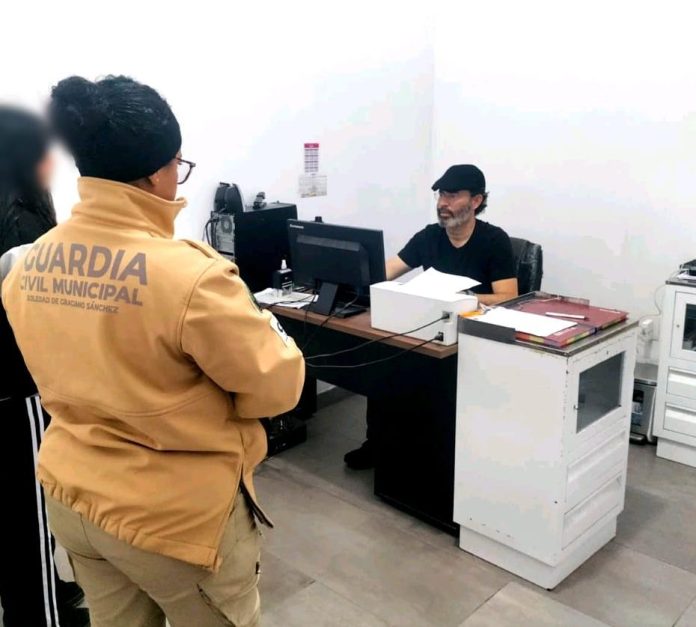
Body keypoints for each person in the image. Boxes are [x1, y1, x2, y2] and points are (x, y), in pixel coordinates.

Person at [2, 76, 305, 627]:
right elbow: (278, 389)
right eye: (179, 165)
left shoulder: (28, 261)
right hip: (173, 521)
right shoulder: (192, 276)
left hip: (74, 500)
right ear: (156, 173)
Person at [344, 164, 518, 470]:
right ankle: (378, 443)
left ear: (476, 201)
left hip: (468, 339)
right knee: (383, 364)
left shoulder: (494, 241)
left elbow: (509, 297)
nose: (442, 203)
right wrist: (351, 274)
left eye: (452, 196)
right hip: (429, 330)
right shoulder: (429, 237)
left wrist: (463, 299)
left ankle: (433, 456)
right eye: (440, 195)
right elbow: (386, 271)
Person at [0, 105, 89, 627]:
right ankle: (41, 613)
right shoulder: (22, 218)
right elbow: (35, 312)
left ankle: (46, 591)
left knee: (11, 514)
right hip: (18, 389)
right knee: (30, 518)